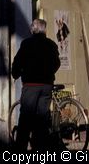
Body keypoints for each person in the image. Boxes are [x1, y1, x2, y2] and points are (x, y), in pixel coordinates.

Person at [11, 19, 60, 151]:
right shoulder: (51, 44)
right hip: (46, 85)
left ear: (33, 29)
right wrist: (49, 74)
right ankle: (40, 146)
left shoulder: (26, 43)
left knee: (26, 117)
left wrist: (15, 74)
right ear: (45, 30)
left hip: (31, 84)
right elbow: (57, 63)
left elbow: (18, 62)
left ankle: (20, 148)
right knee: (42, 117)